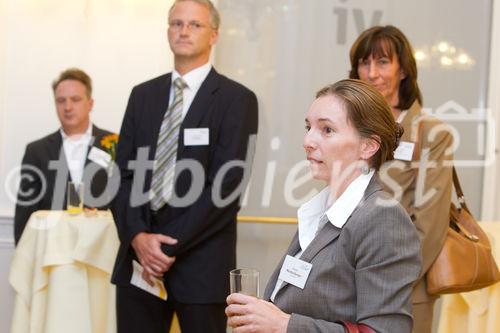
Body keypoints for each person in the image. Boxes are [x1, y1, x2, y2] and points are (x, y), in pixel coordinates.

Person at [226, 79, 421, 333]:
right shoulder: (321, 210)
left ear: (368, 146)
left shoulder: (383, 218)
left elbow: (385, 330)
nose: (308, 140)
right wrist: (260, 315)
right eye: (309, 127)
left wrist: (283, 325)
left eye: (327, 130)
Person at [111, 0, 258, 332]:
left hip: (201, 268)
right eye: (176, 23)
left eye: (194, 25)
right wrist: (138, 237)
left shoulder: (236, 99)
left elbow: (227, 187)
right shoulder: (142, 95)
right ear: (167, 31)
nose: (184, 31)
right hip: (139, 266)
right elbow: (122, 176)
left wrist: (163, 247)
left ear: (214, 35)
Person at [349, 25, 454, 333]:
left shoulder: (430, 133)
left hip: (403, 286)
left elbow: (430, 226)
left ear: (404, 70)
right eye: (364, 63)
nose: (372, 73)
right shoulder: (348, 128)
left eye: (382, 62)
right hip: (349, 278)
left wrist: (391, 279)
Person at [14, 68, 115, 244]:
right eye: (61, 101)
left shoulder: (115, 145)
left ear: (90, 103)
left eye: (75, 99)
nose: (67, 107)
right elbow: (25, 212)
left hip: (102, 250)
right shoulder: (36, 151)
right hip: (50, 252)